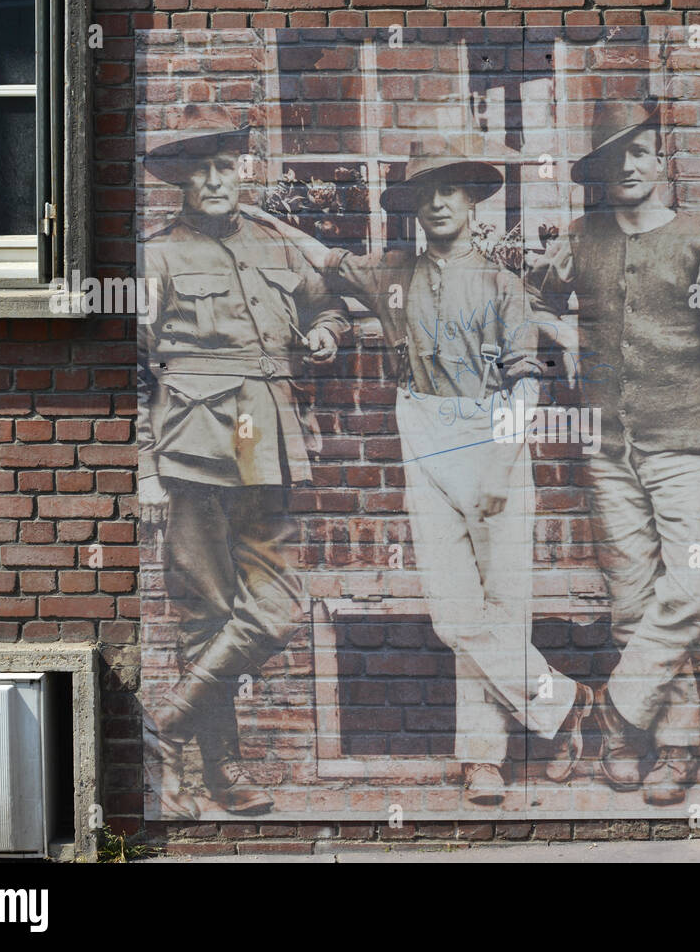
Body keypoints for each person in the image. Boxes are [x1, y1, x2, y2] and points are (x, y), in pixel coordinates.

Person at [271, 136, 594, 807]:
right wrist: (257, 217)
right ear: (414, 205)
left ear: (474, 200)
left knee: (503, 604)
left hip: (495, 434)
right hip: (424, 430)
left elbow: (527, 384)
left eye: (453, 189)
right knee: (454, 611)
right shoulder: (392, 272)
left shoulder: (506, 285)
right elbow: (321, 258)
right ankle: (565, 703)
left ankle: (484, 759)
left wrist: (505, 465)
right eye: (427, 191)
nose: (441, 202)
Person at [527, 98, 700, 805]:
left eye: (641, 152)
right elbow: (532, 300)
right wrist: (561, 334)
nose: (628, 166)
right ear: (597, 171)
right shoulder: (581, 236)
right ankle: (668, 746)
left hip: (686, 447)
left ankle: (615, 710)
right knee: (633, 606)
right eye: (613, 156)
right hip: (607, 452)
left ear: (659, 163)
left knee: (690, 588)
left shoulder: (697, 239)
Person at [137, 104, 348, 819]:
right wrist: (145, 466)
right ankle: (218, 773)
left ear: (240, 171)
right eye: (200, 171)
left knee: (279, 604)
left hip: (267, 437)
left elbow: (329, 306)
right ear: (182, 185)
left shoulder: (275, 243)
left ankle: (162, 722)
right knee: (208, 610)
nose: (215, 180)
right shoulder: (157, 256)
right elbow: (133, 368)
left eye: (224, 166)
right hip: (193, 445)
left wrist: (325, 332)